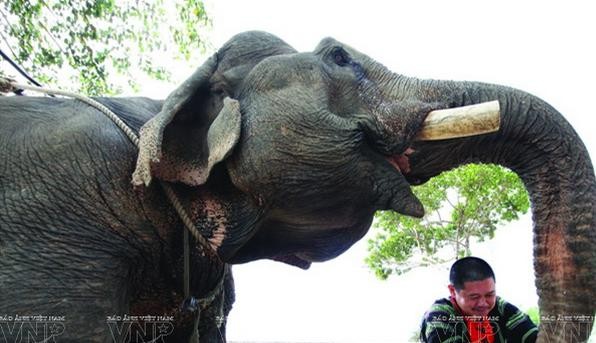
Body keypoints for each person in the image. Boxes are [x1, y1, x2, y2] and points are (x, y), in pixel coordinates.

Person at [420, 256, 538, 343]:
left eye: (489, 295)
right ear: (452, 291)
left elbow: (533, 336)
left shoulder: (501, 307)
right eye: (474, 297)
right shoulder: (439, 316)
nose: (483, 303)